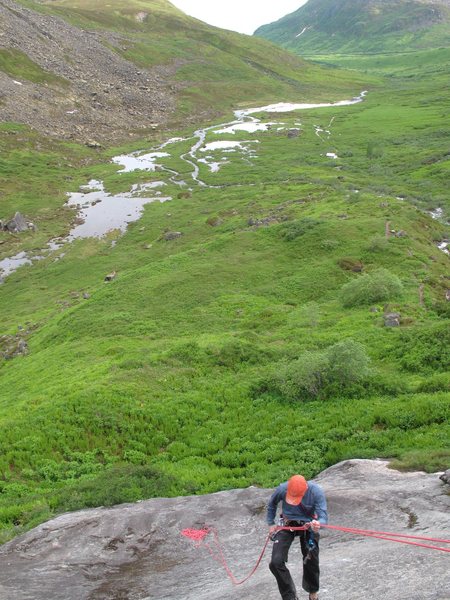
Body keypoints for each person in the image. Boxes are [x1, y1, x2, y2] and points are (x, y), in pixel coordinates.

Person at [267, 474, 328, 600]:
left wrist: (318, 524)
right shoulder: (283, 489)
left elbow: (323, 517)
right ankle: (290, 597)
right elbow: (272, 504)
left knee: (311, 557)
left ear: (305, 489)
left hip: (309, 525)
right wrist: (271, 523)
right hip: (287, 524)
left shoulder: (316, 492)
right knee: (275, 562)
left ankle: (313, 593)